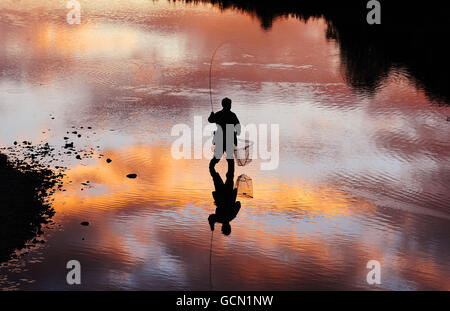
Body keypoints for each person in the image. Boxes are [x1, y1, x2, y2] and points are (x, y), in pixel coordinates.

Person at [208, 158, 241, 236]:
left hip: (228, 192)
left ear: (229, 226)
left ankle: (225, 153)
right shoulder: (219, 219)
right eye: (222, 229)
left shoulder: (232, 216)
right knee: (213, 172)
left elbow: (238, 204)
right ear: (223, 227)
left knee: (230, 174)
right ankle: (217, 157)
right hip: (220, 193)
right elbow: (211, 218)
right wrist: (212, 226)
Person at [208, 97, 241, 170]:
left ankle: (212, 170)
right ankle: (230, 176)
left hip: (220, 138)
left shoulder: (218, 114)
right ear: (227, 105)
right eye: (229, 104)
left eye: (230, 104)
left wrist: (211, 115)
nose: (230, 106)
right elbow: (238, 127)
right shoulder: (232, 115)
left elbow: (210, 120)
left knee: (217, 157)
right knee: (230, 160)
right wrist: (236, 134)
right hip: (229, 138)